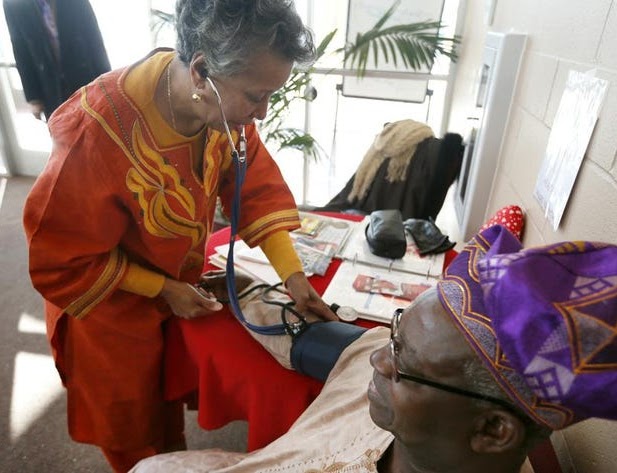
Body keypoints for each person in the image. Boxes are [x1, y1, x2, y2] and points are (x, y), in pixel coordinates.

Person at [22, 1, 337, 471]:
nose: (263, 112)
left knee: (163, 413)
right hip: (107, 310)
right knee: (130, 427)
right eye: (256, 95)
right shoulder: (95, 132)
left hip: (172, 288)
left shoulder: (216, 104)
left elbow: (251, 186)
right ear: (202, 71)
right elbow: (60, 259)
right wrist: (163, 288)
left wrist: (292, 277)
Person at [130, 224, 617, 472]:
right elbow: (310, 338)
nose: (380, 357)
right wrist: (246, 294)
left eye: (403, 359)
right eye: (396, 333)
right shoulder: (390, 368)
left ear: (493, 430)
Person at [3, 0, 111, 120]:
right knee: (63, 132)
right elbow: (20, 49)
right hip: (49, 86)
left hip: (85, 76)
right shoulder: (12, 3)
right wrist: (33, 97)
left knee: (97, 126)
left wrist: (107, 81)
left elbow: (93, 36)